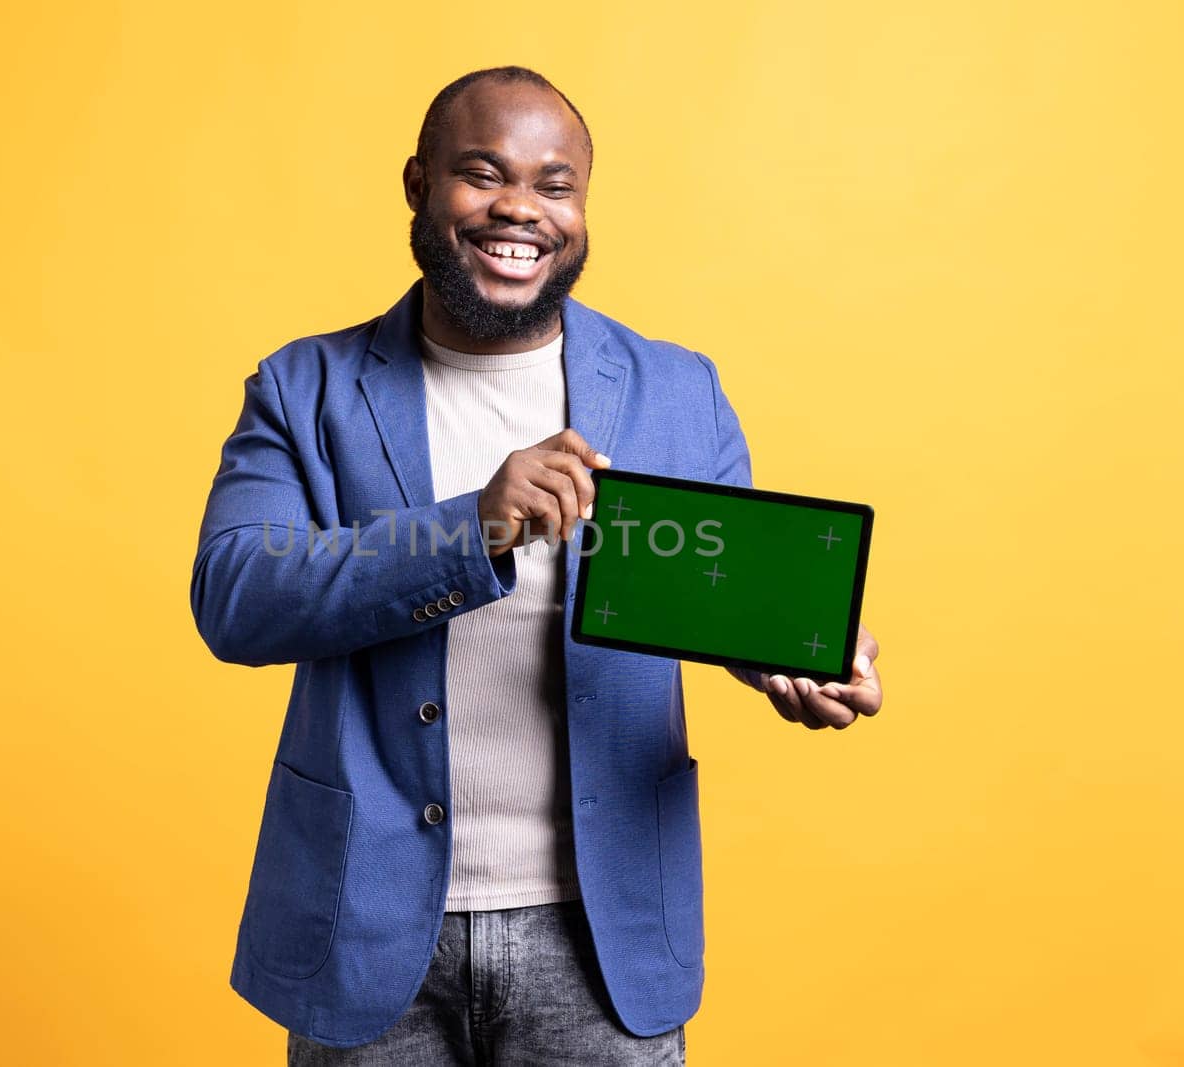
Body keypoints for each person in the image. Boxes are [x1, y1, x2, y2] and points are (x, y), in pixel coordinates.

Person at [190, 65, 885, 1066]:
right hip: (368, 926)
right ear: (418, 184)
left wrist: (794, 658)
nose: (518, 207)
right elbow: (237, 596)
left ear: (582, 210)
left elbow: (714, 592)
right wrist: (472, 525)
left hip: (599, 937)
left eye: (554, 185)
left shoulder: (676, 390)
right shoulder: (304, 386)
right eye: (482, 173)